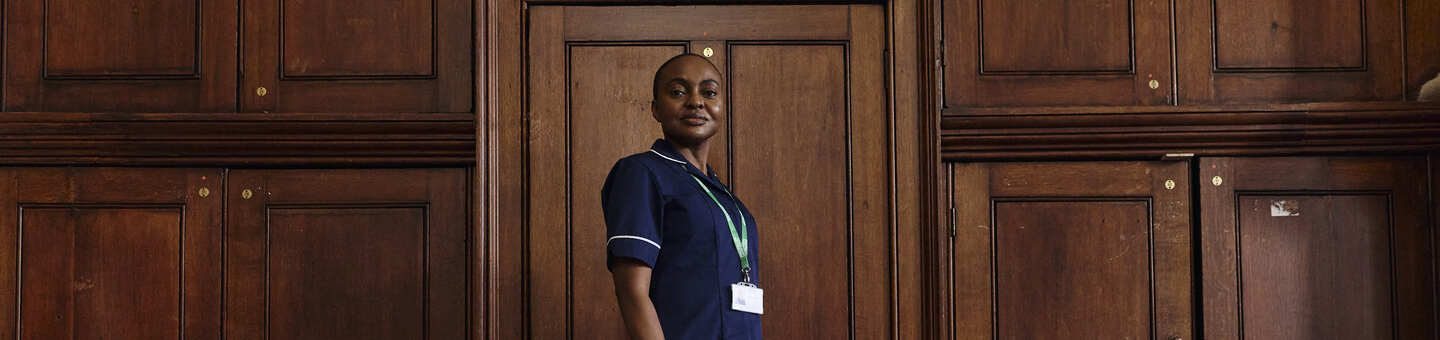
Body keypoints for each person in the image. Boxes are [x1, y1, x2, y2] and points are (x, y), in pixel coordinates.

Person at [602, 53, 764, 340]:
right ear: (655, 109)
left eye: (709, 92)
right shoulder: (642, 172)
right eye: (678, 91)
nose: (696, 102)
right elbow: (632, 290)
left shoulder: (720, 193)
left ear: (721, 106)